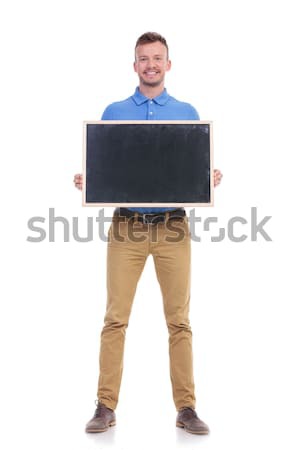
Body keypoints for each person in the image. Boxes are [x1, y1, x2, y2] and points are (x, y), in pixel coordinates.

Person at [74, 32, 222, 435]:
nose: (151, 64)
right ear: (134, 64)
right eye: (143, 58)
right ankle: (105, 406)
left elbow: (191, 169)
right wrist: (89, 181)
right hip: (127, 228)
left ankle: (186, 408)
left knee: (179, 321)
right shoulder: (114, 111)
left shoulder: (187, 113)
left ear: (168, 64)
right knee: (115, 319)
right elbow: (105, 167)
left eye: (157, 58)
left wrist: (207, 179)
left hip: (173, 227)